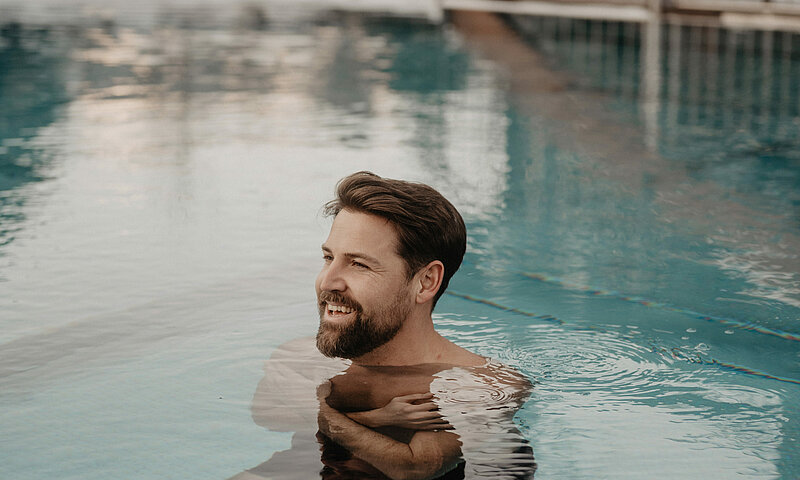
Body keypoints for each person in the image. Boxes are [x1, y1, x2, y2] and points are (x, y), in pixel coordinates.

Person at [232, 172, 535, 480]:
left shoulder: (480, 384)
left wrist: (324, 407)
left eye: (358, 264)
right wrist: (378, 417)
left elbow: (416, 467)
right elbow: (267, 416)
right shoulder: (297, 355)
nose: (328, 281)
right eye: (328, 257)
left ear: (426, 281)